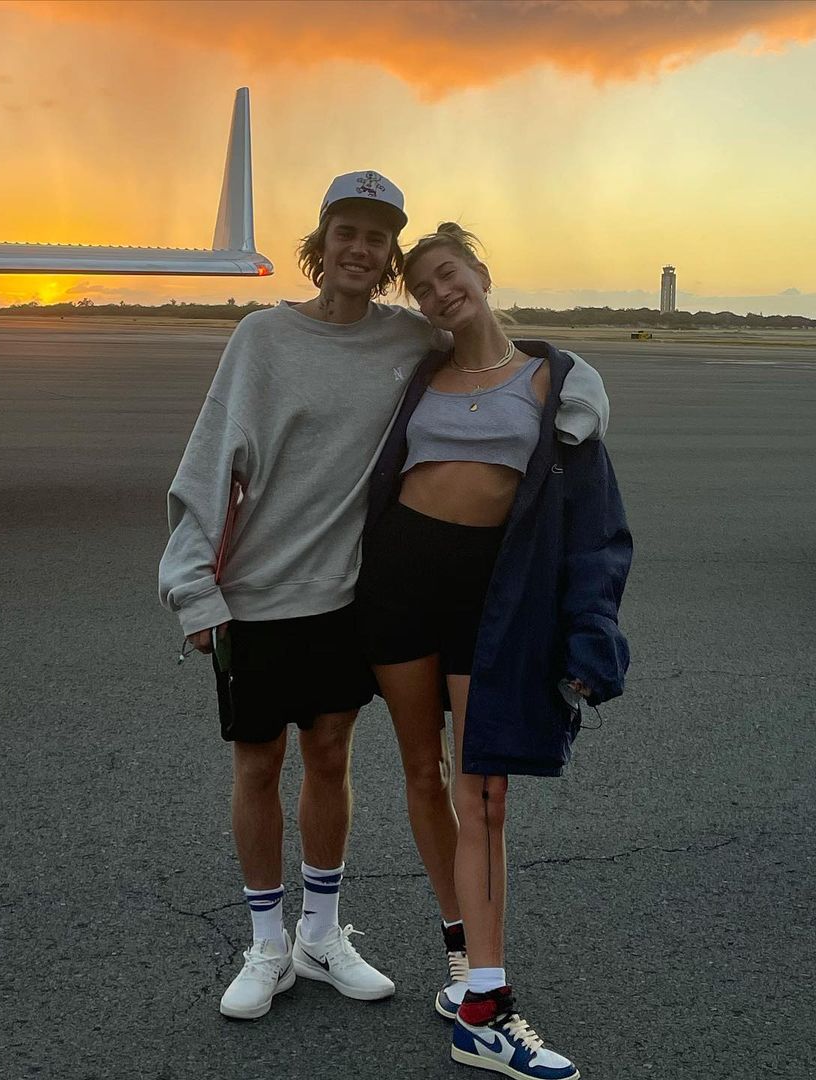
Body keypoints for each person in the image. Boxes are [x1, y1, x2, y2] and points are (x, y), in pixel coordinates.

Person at [158, 174, 610, 1023]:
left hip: (346, 595)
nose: (360, 250)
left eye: (377, 238)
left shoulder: (409, 339)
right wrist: (192, 588)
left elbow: (512, 359)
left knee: (331, 760)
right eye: (346, 233)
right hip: (254, 594)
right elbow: (210, 461)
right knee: (257, 765)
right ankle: (267, 944)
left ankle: (322, 935)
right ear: (320, 244)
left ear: (388, 258)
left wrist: (582, 399)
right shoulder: (261, 338)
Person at [356, 222, 631, 1079]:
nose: (440, 293)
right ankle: (464, 956)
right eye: (424, 288)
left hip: (494, 593)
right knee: (421, 771)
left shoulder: (557, 383)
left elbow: (596, 528)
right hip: (400, 579)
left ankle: (487, 1008)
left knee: (486, 790)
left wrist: (593, 640)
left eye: (449, 275)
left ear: (480, 271)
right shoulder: (417, 378)